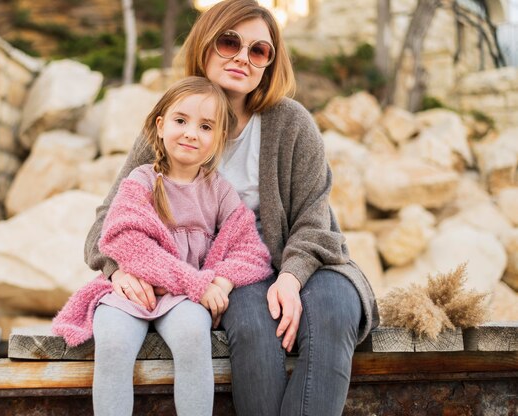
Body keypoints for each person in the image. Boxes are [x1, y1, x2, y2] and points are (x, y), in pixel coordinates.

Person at [84, 1, 380, 414]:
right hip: (234, 273)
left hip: (310, 262)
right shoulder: (177, 122)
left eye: (258, 50)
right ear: (205, 44)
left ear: (268, 64)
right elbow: (110, 220)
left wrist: (292, 279)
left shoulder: (291, 123)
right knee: (254, 325)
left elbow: (315, 219)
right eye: (229, 42)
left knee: (334, 311)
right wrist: (119, 269)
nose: (242, 56)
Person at [52, 76, 273, 416]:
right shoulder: (141, 180)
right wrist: (196, 283)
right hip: (134, 290)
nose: (190, 133)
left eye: (205, 127)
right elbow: (125, 240)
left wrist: (221, 282)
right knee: (111, 342)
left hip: (184, 299)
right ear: (160, 125)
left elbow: (249, 248)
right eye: (180, 121)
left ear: (218, 139)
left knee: (191, 337)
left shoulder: (219, 191)